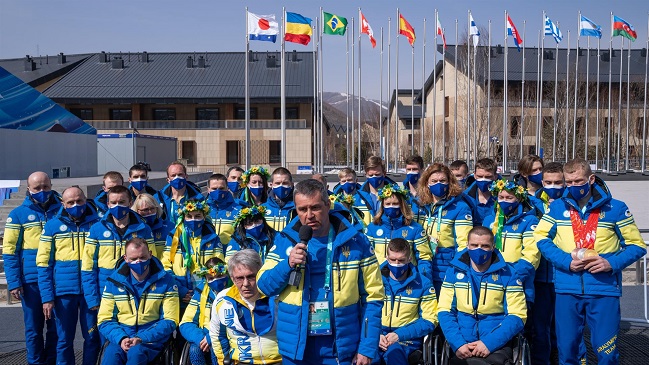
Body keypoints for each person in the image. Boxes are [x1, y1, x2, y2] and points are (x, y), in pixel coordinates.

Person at [257, 179, 384, 365]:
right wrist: (288, 264)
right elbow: (264, 286)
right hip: (297, 346)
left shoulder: (357, 242)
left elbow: (374, 297)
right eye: (302, 209)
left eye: (315, 207)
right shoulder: (285, 240)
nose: (309, 215)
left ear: (328, 204)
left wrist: (366, 347)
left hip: (340, 346)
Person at [534, 158, 646, 365]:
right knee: (567, 351)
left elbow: (637, 246)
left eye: (579, 181)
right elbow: (540, 239)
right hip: (567, 288)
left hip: (604, 289)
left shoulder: (616, 208)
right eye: (569, 182)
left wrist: (610, 263)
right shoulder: (558, 208)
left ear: (591, 179)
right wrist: (565, 261)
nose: (574, 186)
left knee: (606, 352)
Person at [438, 226, 527, 365]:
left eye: (485, 246)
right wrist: (458, 343)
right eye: (474, 245)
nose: (479, 250)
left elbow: (518, 315)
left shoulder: (509, 273)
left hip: (496, 345)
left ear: (493, 247)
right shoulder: (453, 272)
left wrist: (489, 343)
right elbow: (444, 311)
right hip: (462, 344)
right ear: (467, 245)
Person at [37, 186, 101, 365]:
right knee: (64, 340)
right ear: (63, 204)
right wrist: (47, 297)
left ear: (85, 199)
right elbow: (43, 264)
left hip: (90, 292)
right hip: (64, 294)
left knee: (92, 338)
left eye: (79, 201)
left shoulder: (97, 224)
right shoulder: (52, 226)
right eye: (70, 202)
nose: (76, 205)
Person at [3, 171, 59, 365]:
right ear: (28, 189)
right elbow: (10, 251)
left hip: (56, 279)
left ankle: (51, 361)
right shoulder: (17, 214)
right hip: (31, 282)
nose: (42, 191)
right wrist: (14, 282)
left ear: (51, 186)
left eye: (45, 187)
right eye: (37, 188)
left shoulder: (61, 211)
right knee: (34, 329)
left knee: (56, 329)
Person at [97, 238, 180, 365]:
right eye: (133, 259)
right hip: (122, 335)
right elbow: (104, 319)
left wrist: (141, 338)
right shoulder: (113, 282)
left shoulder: (167, 281)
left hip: (151, 339)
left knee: (136, 354)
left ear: (150, 254)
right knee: (111, 357)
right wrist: (121, 338)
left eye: (142, 257)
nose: (138, 262)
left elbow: (170, 320)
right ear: (125, 258)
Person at [82, 185, 154, 312]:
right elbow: (88, 266)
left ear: (130, 203)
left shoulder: (144, 229)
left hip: (136, 292)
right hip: (105, 293)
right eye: (113, 203)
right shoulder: (96, 229)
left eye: (122, 202)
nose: (117, 206)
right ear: (108, 204)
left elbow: (153, 262)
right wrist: (92, 299)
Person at [210, 249, 282, 365]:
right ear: (232, 279)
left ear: (260, 274)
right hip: (243, 361)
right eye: (239, 278)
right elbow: (218, 336)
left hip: (279, 361)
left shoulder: (278, 296)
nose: (246, 284)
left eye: (251, 277)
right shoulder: (222, 300)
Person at [374, 238, 437, 365]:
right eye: (392, 260)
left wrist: (399, 335)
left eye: (401, 260)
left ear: (409, 259)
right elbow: (363, 312)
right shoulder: (374, 280)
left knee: (394, 353)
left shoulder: (423, 284)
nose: (397, 264)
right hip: (377, 334)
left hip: (407, 339)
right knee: (367, 355)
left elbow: (430, 320)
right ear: (386, 257)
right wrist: (376, 333)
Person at [416, 163, 474, 293]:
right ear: (427, 183)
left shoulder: (460, 207)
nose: (438, 184)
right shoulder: (419, 206)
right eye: (434, 181)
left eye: (443, 181)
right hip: (423, 265)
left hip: (446, 267)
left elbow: (464, 243)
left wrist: (456, 269)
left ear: (449, 182)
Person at [482, 179, 540, 303]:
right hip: (492, 280)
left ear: (519, 198)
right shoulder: (489, 220)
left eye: (509, 198)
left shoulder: (529, 221)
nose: (504, 201)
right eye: (501, 197)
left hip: (518, 281)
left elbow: (532, 254)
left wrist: (515, 275)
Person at [531, 161, 565, 365]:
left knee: (563, 326)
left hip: (564, 274)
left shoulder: (573, 205)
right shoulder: (531, 203)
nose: (553, 187)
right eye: (549, 182)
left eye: (558, 182)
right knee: (540, 326)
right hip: (540, 275)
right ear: (542, 182)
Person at [163, 199, 224, 310]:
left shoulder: (213, 238)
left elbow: (218, 266)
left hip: (205, 290)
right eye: (189, 216)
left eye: (197, 216)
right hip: (180, 289)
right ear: (183, 217)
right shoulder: (173, 237)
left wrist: (202, 290)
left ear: (204, 217)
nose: (193, 220)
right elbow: (165, 265)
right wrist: (180, 290)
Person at [364, 183, 433, 280]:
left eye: (395, 204)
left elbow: (424, 257)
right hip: (379, 279)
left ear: (402, 205)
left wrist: (423, 280)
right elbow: (366, 257)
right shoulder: (372, 228)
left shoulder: (415, 229)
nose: (391, 207)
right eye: (388, 204)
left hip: (407, 279)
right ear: (382, 205)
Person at [180, 257, 229, 365]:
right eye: (210, 278)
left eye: (220, 276)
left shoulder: (234, 290)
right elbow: (185, 323)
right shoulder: (201, 292)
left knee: (215, 348)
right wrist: (200, 338)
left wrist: (212, 336)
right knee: (194, 350)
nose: (215, 281)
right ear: (206, 279)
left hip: (227, 334)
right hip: (204, 334)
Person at [205, 173, 243, 248]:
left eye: (221, 188)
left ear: (227, 188)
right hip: (208, 254)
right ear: (208, 189)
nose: (218, 191)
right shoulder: (202, 209)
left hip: (230, 255)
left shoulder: (239, 210)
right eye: (214, 189)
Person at [132, 193, 174, 259]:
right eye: (145, 210)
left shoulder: (170, 227)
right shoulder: (133, 229)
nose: (150, 212)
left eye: (152, 208)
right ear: (137, 211)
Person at [463, 158, 498, 226]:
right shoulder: (465, 197)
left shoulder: (503, 197)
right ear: (475, 175)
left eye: (488, 177)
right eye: (480, 176)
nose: (483, 179)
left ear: (495, 177)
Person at [262, 167, 296, 231]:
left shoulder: (297, 208)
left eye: (285, 183)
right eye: (277, 183)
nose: (281, 186)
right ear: (271, 185)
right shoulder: (262, 209)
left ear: (291, 185)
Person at [402, 155, 428, 225]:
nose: (411, 172)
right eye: (409, 169)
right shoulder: (401, 193)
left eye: (414, 169)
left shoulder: (429, 192)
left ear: (422, 170)